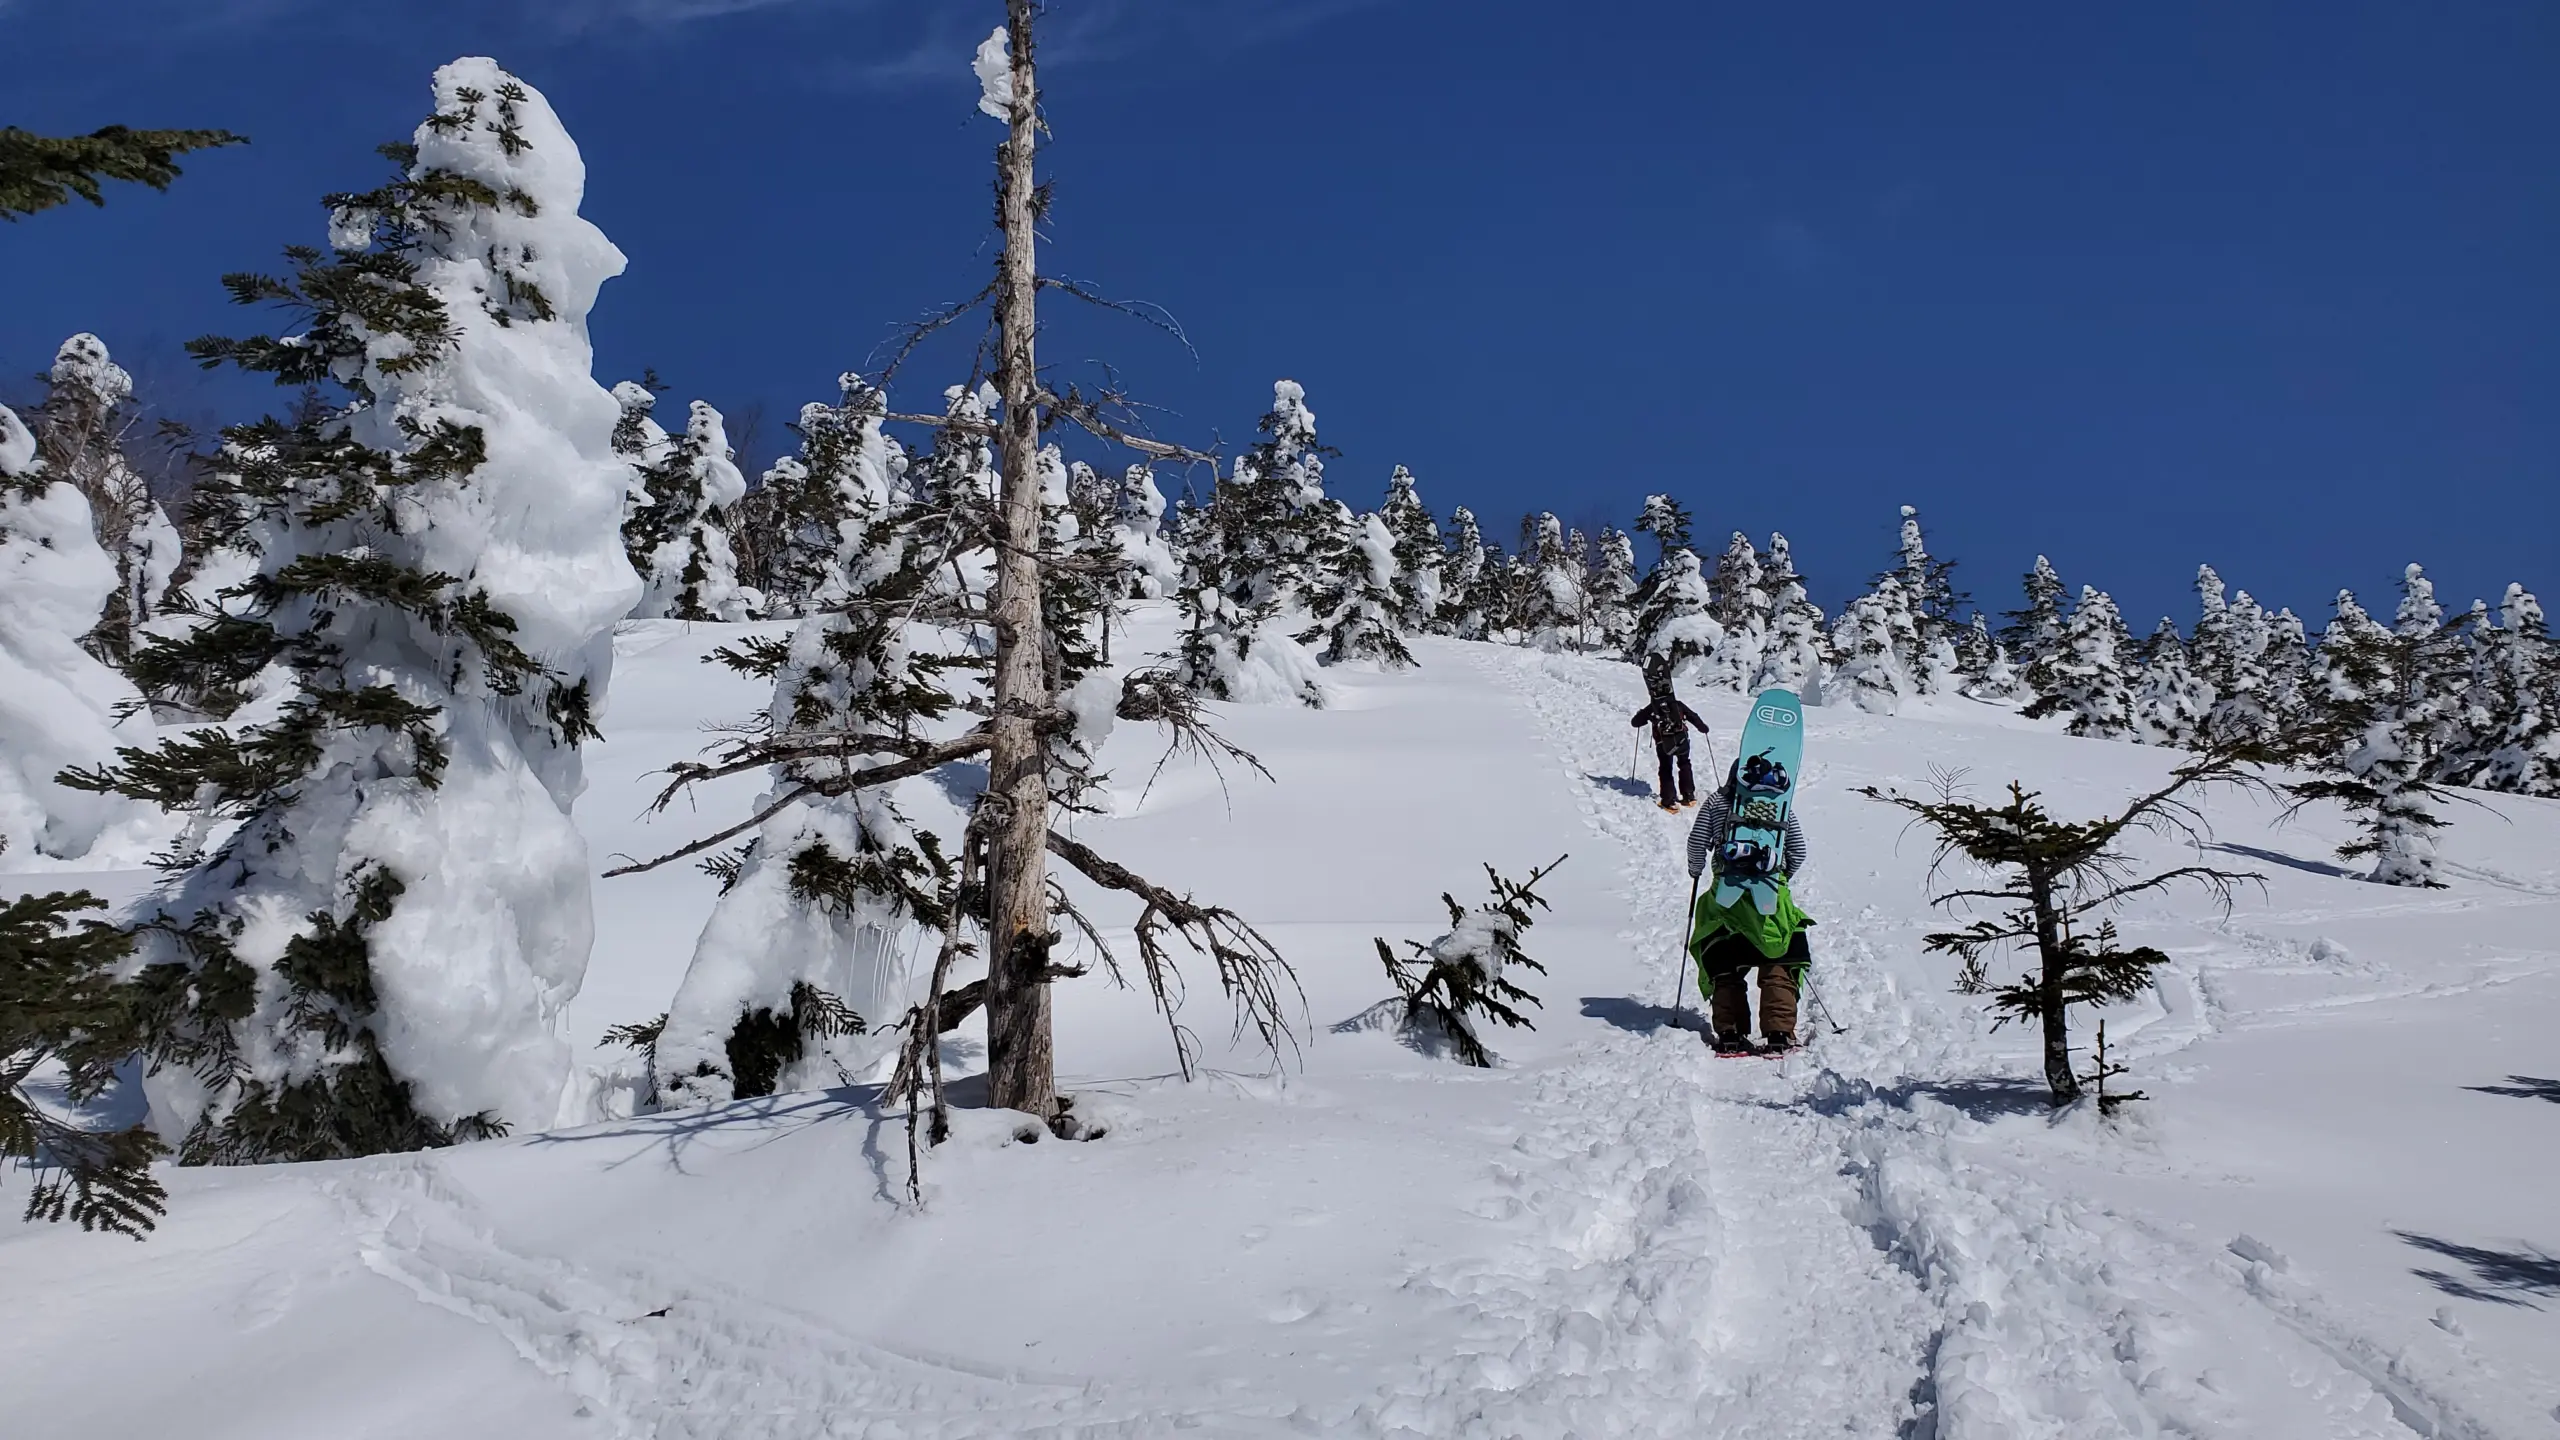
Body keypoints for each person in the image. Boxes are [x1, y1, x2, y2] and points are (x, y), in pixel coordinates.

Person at [1685, 761, 1813, 1054]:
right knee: (1778, 961)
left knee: (1724, 965)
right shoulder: (1779, 805)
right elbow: (1798, 850)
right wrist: (1780, 878)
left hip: (1725, 901)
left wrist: (1696, 870)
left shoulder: (1717, 802)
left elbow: (1696, 843)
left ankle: (1730, 1034)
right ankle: (1779, 1034)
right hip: (1771, 897)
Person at [1628, 659, 1711, 811]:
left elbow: (1635, 722)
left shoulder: (1653, 707)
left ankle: (1669, 800)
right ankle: (1688, 796)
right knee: (1684, 764)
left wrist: (1644, 715)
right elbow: (1694, 717)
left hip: (1663, 743)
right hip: (1682, 738)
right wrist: (1703, 728)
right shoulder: (1677, 704)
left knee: (1666, 769)